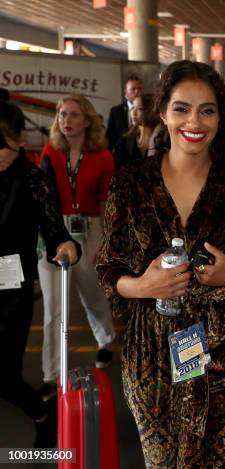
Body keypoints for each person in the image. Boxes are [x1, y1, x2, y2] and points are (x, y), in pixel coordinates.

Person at [97, 60, 225, 468]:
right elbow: (108, 265)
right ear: (163, 112)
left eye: (207, 110)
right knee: (162, 463)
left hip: (224, 348)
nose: (194, 121)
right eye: (182, 108)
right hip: (152, 350)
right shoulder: (131, 181)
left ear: (220, 117)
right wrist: (142, 286)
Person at [0, 101, 80, 447]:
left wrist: (65, 245)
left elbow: (54, 230)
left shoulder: (34, 179)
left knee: (4, 376)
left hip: (12, 287)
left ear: (18, 139)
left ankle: (42, 414)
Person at [37, 95, 116, 400]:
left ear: (86, 121)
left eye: (72, 115)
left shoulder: (103, 157)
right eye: (61, 115)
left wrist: (106, 240)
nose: (66, 121)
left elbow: (108, 202)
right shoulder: (50, 152)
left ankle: (105, 340)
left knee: (93, 294)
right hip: (54, 230)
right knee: (53, 308)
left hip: (90, 227)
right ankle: (50, 374)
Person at [113, 94, 159, 168]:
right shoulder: (125, 140)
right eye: (132, 108)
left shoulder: (164, 140)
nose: (133, 113)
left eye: (140, 109)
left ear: (151, 111)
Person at [106, 75, 143, 151]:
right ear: (126, 91)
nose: (137, 91)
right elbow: (110, 137)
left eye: (139, 88)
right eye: (133, 89)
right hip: (121, 155)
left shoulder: (147, 110)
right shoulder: (116, 111)